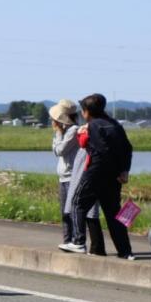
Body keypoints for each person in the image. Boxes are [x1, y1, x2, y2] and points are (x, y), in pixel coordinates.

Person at [72, 93, 135, 260]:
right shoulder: (114, 124)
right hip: (114, 178)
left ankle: (78, 242)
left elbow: (102, 150)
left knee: (77, 203)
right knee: (114, 213)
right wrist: (123, 170)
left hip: (96, 172)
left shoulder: (93, 125)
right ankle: (125, 251)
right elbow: (128, 148)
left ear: (87, 112)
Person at [50, 99, 87, 252]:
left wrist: (58, 133)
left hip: (72, 176)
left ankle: (74, 240)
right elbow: (56, 150)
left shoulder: (73, 131)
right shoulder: (66, 131)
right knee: (64, 212)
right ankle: (67, 240)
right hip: (64, 176)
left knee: (71, 211)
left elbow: (60, 150)